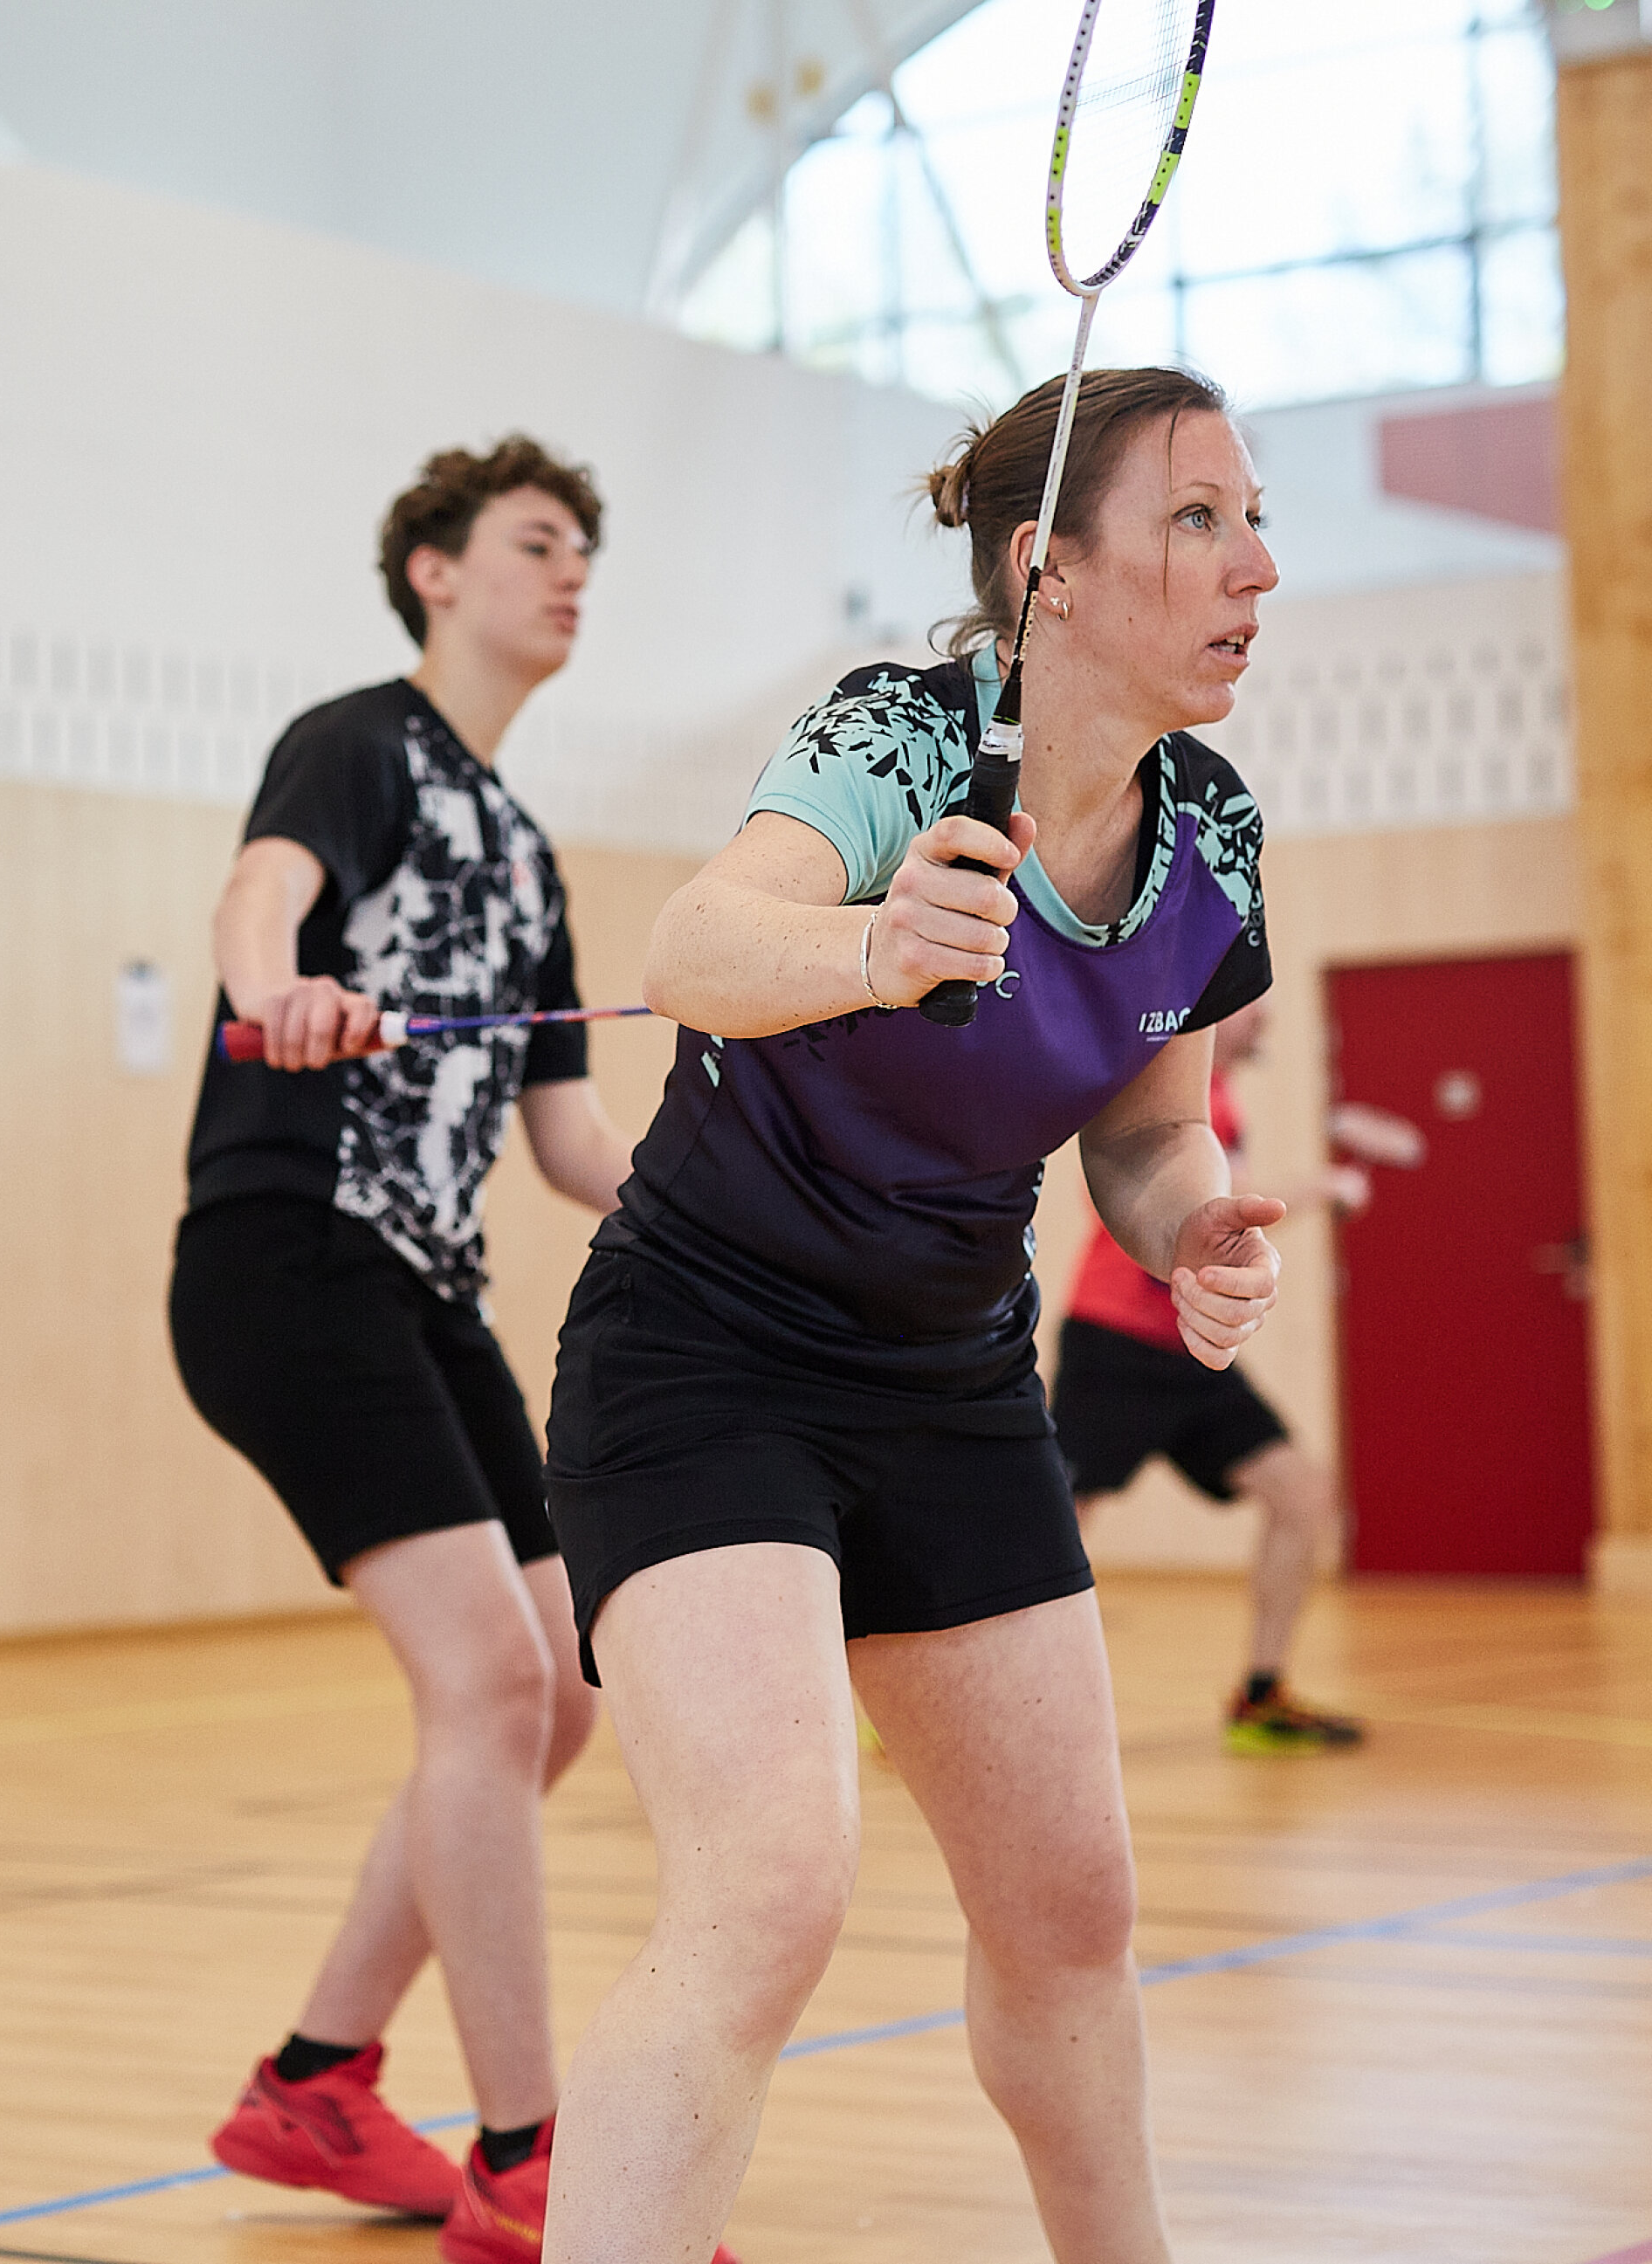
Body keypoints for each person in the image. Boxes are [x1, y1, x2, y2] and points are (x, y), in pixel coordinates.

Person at [538, 365, 1285, 2264]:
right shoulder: (899, 735)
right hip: (708, 1358)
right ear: (1048, 568)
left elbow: (1149, 1127)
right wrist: (876, 943)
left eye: (1253, 518)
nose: (1255, 566)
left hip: (953, 1377)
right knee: (770, 1890)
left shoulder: (1212, 833)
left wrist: (1193, 1227)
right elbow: (693, 948)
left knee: (1071, 1911)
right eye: (1198, 518)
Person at [169, 437, 633, 2264]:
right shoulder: (359, 743)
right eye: (538, 541)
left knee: (560, 1687)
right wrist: (272, 987)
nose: (573, 572)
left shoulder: (529, 856)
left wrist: (750, 1183)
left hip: (428, 1287)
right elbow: (259, 894)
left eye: (586, 550)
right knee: (492, 1683)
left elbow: (570, 1141)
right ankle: (527, 2163)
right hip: (292, 1255)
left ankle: (315, 2079)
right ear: (436, 571)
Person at [1054, 994, 1368, 1754]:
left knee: (1303, 1494)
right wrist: (1325, 1186)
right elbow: (1217, 1212)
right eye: (1249, 1007)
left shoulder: (1223, 1102)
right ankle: (936, 1694)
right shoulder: (1168, 1100)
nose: (1263, 1019)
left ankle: (1262, 1693)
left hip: (1192, 1350)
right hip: (1114, 1343)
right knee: (1050, 1520)